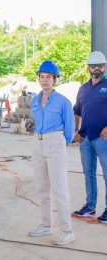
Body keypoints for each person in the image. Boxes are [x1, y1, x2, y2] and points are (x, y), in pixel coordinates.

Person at [28, 60, 75, 245]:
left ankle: (67, 230)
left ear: (54, 80)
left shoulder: (64, 102)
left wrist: (60, 143)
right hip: (37, 143)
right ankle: (46, 225)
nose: (45, 79)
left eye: (49, 77)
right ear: (38, 78)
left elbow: (69, 130)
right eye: (42, 76)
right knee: (42, 187)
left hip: (55, 142)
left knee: (59, 188)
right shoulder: (34, 100)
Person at [72, 51, 107, 223]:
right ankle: (90, 207)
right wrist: (76, 130)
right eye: (93, 66)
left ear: (104, 67)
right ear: (88, 68)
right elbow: (77, 110)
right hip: (85, 138)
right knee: (89, 173)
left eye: (100, 65)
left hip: (103, 138)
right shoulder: (83, 89)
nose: (96, 69)